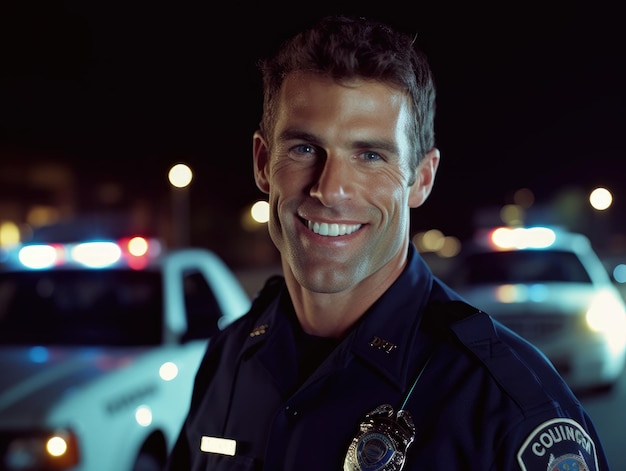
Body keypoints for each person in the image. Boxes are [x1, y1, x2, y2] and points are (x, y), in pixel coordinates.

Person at [166, 15, 610, 471]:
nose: (329, 189)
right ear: (263, 162)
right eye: (304, 149)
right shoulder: (228, 360)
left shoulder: (507, 409)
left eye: (370, 155)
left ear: (421, 179)